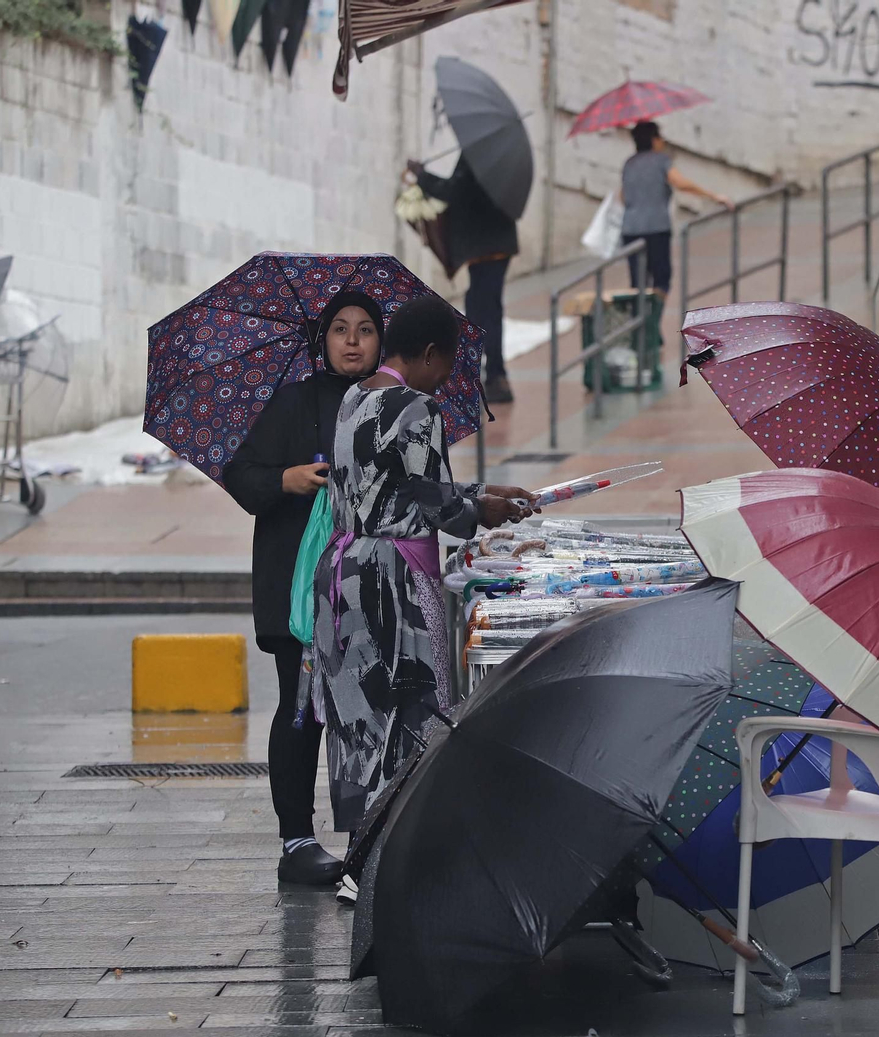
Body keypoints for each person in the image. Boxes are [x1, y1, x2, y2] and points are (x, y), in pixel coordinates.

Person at [308, 295, 533, 905]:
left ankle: (360, 852)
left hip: (346, 569)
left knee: (361, 715)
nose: (447, 382)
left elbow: (397, 485)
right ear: (431, 355)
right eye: (448, 367)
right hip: (392, 577)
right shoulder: (416, 406)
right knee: (410, 703)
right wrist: (481, 508)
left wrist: (481, 491)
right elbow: (438, 505)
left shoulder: (356, 399)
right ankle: (389, 860)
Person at [222, 290, 386, 887]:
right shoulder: (291, 403)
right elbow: (241, 475)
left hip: (370, 586)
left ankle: (371, 831)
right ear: (323, 340)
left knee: (368, 710)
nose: (351, 341)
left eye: (365, 330)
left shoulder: (392, 405)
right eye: (340, 329)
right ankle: (296, 839)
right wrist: (287, 479)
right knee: (301, 708)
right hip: (299, 589)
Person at [408, 157, 518, 405]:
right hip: (495, 244)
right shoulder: (501, 158)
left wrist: (422, 175)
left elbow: (454, 191)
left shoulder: (477, 155)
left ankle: (491, 378)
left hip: (486, 245)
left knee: (483, 311)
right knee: (485, 308)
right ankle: (487, 377)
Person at [619, 120, 732, 294]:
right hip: (656, 229)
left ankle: (641, 318)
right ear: (653, 140)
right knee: (661, 279)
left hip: (631, 230)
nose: (663, 141)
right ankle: (653, 319)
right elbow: (681, 183)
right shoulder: (662, 161)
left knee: (638, 283)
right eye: (660, 137)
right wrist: (713, 196)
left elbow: (623, 197)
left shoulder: (629, 164)